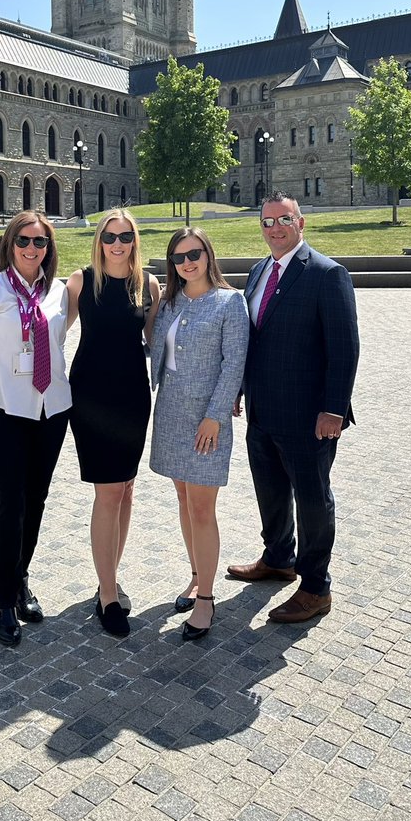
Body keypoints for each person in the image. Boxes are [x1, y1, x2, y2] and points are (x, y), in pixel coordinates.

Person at [228, 191, 359, 623]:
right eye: (267, 221)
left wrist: (334, 409)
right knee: (270, 491)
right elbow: (254, 339)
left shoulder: (327, 273)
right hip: (264, 411)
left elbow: (345, 348)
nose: (275, 228)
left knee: (312, 498)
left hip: (309, 416)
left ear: (301, 223)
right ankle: (279, 557)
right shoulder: (258, 271)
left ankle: (316, 586)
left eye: (283, 220)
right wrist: (239, 389)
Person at [0, 210, 72, 646]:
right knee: (8, 505)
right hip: (6, 412)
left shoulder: (59, 293)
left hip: (51, 409)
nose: (32, 249)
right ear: (10, 245)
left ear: (49, 249)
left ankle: (21, 577)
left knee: (37, 499)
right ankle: (4, 602)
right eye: (24, 241)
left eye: (40, 242)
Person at [150, 227, 250, 641]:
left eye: (194, 254)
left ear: (208, 254)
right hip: (170, 412)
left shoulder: (230, 302)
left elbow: (233, 363)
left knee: (203, 508)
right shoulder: (170, 302)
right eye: (178, 257)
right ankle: (195, 576)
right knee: (183, 499)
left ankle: (206, 598)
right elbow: (156, 351)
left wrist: (216, 415)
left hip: (206, 419)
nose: (187, 262)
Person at [66, 210, 160, 637]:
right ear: (99, 240)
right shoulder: (81, 282)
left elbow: (159, 345)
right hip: (91, 399)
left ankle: (111, 575)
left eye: (125, 236)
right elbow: (48, 331)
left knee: (126, 489)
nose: (117, 244)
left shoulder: (149, 285)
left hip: (132, 398)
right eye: (109, 236)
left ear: (134, 240)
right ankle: (106, 593)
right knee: (108, 494)